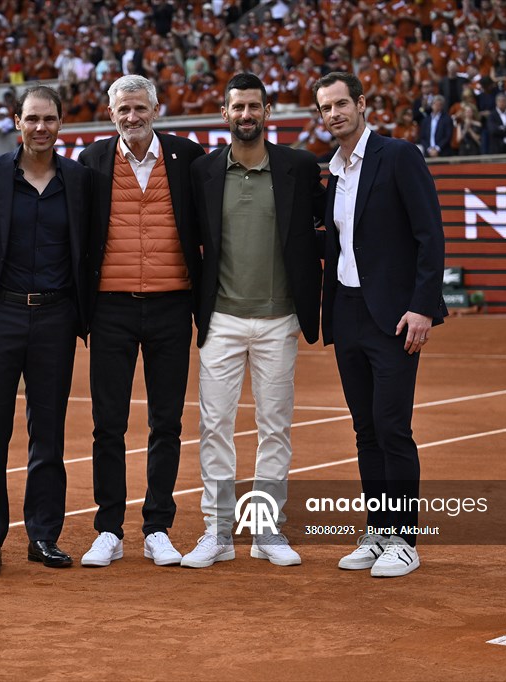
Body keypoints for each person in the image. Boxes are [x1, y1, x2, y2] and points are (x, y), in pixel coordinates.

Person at [180, 72, 325, 569]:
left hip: (279, 320)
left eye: (254, 107)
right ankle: (218, 532)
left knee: (274, 428)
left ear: (268, 112)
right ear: (225, 114)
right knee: (214, 426)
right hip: (220, 319)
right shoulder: (203, 171)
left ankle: (267, 532)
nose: (246, 115)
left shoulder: (300, 168)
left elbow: (326, 229)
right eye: (237, 107)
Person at [314, 71, 447, 578]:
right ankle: (377, 531)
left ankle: (405, 540)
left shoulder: (399, 156)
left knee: (393, 429)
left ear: (361, 104)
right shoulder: (333, 172)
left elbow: (430, 236)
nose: (334, 114)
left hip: (394, 318)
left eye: (341, 104)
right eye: (326, 108)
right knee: (365, 430)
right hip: (347, 314)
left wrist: (423, 306)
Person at [76, 75, 204, 568]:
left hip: (173, 306)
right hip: (111, 308)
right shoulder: (92, 161)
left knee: (165, 422)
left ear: (157, 109)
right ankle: (109, 528)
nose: (132, 117)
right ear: (111, 114)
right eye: (123, 109)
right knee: (107, 424)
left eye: (139, 108)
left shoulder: (188, 157)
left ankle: (157, 527)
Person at [0, 86, 91, 576]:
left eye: (51, 119)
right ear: (16, 120)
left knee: (49, 435)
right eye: (33, 118)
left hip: (57, 318)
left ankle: (43, 535)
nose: (42, 128)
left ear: (61, 124)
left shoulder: (80, 179)